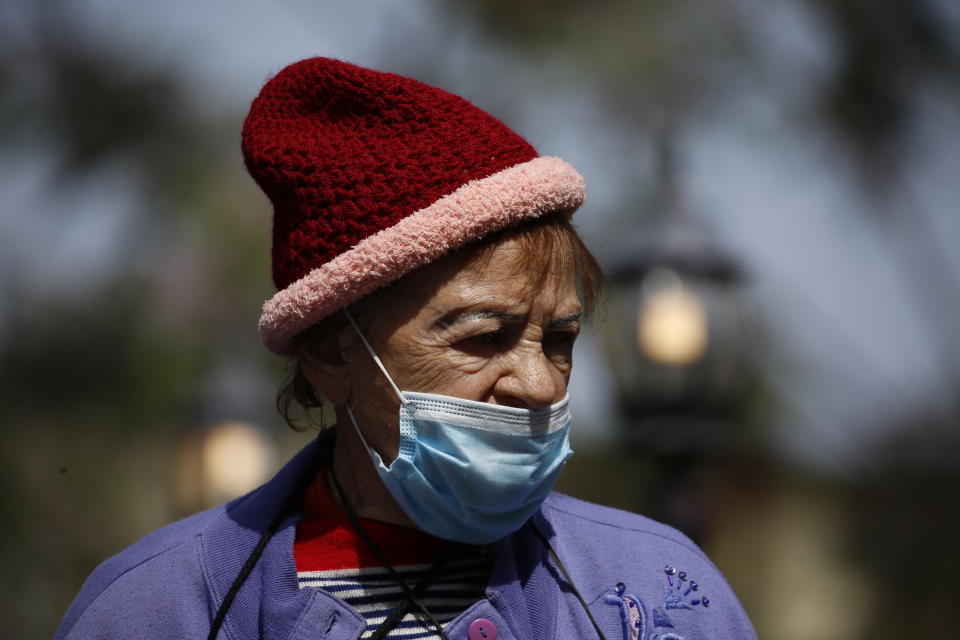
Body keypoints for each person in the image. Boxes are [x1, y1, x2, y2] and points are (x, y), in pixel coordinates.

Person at [54, 58, 756, 640]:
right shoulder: (159, 610)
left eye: (561, 340)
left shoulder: (661, 592)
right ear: (331, 352)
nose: (540, 384)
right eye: (484, 338)